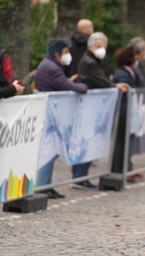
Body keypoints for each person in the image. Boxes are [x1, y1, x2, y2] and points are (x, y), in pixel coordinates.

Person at [72, 32, 128, 189]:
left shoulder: (97, 60)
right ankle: (79, 176)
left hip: (94, 105)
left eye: (103, 46)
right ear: (91, 46)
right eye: (98, 46)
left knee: (89, 140)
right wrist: (113, 86)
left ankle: (80, 175)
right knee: (87, 141)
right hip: (90, 106)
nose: (101, 49)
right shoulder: (90, 61)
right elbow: (101, 80)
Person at [34, 38, 88, 199]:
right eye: (65, 52)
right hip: (52, 114)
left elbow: (60, 83)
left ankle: (46, 185)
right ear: (56, 53)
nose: (67, 55)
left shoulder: (49, 65)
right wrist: (83, 87)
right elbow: (67, 86)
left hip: (52, 112)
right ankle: (43, 185)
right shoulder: (53, 67)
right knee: (50, 150)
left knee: (53, 149)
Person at [111, 45, 141, 182]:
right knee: (121, 143)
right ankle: (118, 170)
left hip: (127, 112)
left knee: (126, 142)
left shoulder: (129, 72)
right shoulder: (122, 73)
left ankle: (125, 168)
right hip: (122, 113)